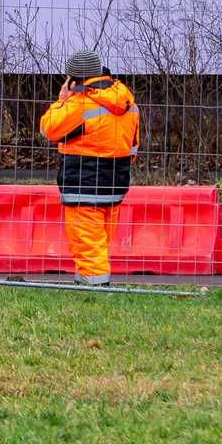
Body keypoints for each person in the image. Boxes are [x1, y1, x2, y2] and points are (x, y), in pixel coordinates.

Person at [39, 49, 140, 285]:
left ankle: (95, 287)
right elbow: (134, 144)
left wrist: (61, 101)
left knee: (87, 241)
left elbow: (48, 129)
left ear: (73, 78)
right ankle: (91, 280)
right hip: (116, 180)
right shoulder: (126, 99)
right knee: (100, 240)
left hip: (83, 183)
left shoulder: (79, 104)